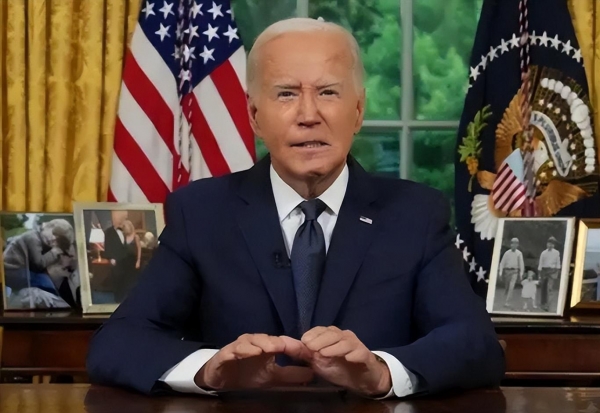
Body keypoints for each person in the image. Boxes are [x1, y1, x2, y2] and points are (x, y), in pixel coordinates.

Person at [87, 18, 504, 398]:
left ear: (358, 111)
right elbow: (118, 342)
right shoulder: (200, 213)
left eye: (328, 92)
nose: (308, 115)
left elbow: (475, 343)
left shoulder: (416, 214)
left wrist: (382, 373)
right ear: (254, 115)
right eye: (286, 93)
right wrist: (208, 370)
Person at [102, 211, 129, 303]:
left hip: (126, 260)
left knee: (126, 281)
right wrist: (111, 258)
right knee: (117, 281)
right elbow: (107, 246)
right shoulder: (108, 232)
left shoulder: (126, 230)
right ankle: (118, 300)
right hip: (116, 261)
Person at [498, 237, 524, 308]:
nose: (514, 245)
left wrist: (521, 274)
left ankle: (507, 302)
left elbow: (521, 264)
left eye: (516, 244)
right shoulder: (507, 253)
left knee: (511, 287)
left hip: (514, 272)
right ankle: (505, 297)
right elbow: (502, 263)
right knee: (507, 287)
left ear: (517, 245)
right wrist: (500, 272)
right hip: (507, 271)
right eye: (513, 243)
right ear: (510, 244)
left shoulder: (519, 254)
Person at [538, 236, 561, 311]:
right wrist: (539, 274)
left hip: (552, 272)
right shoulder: (543, 253)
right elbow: (540, 264)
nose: (550, 245)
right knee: (543, 288)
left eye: (552, 244)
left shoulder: (556, 253)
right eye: (549, 243)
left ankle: (547, 305)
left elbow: (558, 264)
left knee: (549, 288)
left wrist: (556, 272)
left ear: (554, 245)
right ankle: (543, 303)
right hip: (544, 271)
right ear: (547, 244)